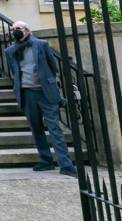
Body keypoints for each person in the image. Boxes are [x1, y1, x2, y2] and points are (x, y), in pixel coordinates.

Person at [5, 21, 78, 178]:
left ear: (27, 30)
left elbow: (53, 66)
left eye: (18, 29)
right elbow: (14, 70)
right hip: (27, 93)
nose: (15, 31)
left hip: (46, 92)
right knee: (36, 127)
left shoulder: (41, 44)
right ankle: (45, 160)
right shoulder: (10, 51)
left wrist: (47, 82)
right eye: (13, 29)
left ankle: (65, 164)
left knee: (54, 128)